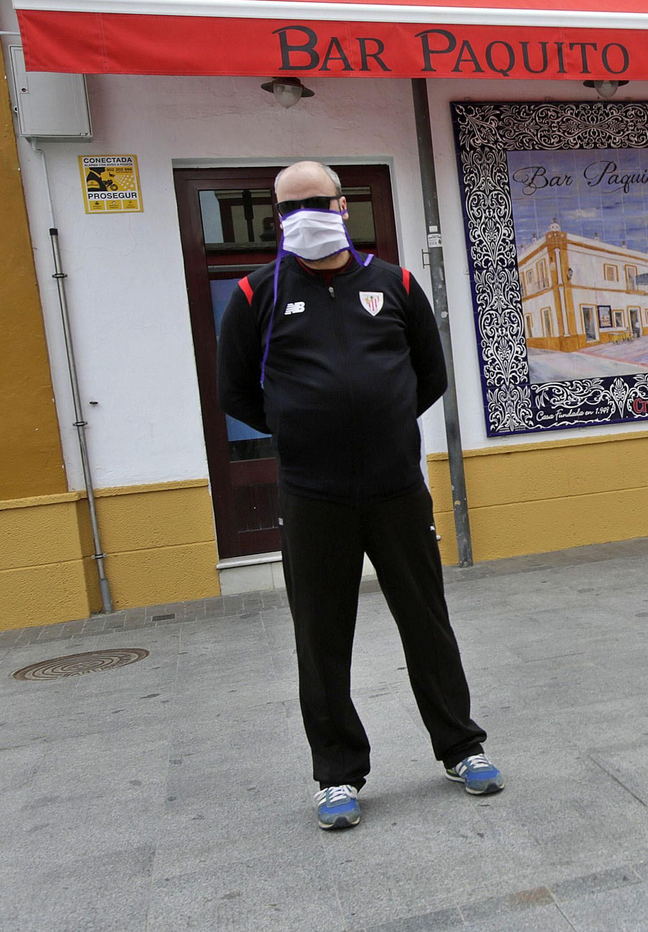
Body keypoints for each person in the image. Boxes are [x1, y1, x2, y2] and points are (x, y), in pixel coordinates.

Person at [218, 161, 502, 830]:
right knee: (321, 636)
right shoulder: (255, 295)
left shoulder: (396, 283)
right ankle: (337, 773)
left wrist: (382, 419)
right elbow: (236, 393)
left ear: (342, 205)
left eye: (316, 201)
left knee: (426, 621)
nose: (305, 215)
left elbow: (428, 376)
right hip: (314, 497)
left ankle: (461, 746)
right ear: (276, 218)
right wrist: (300, 426)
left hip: (396, 488)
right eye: (289, 208)